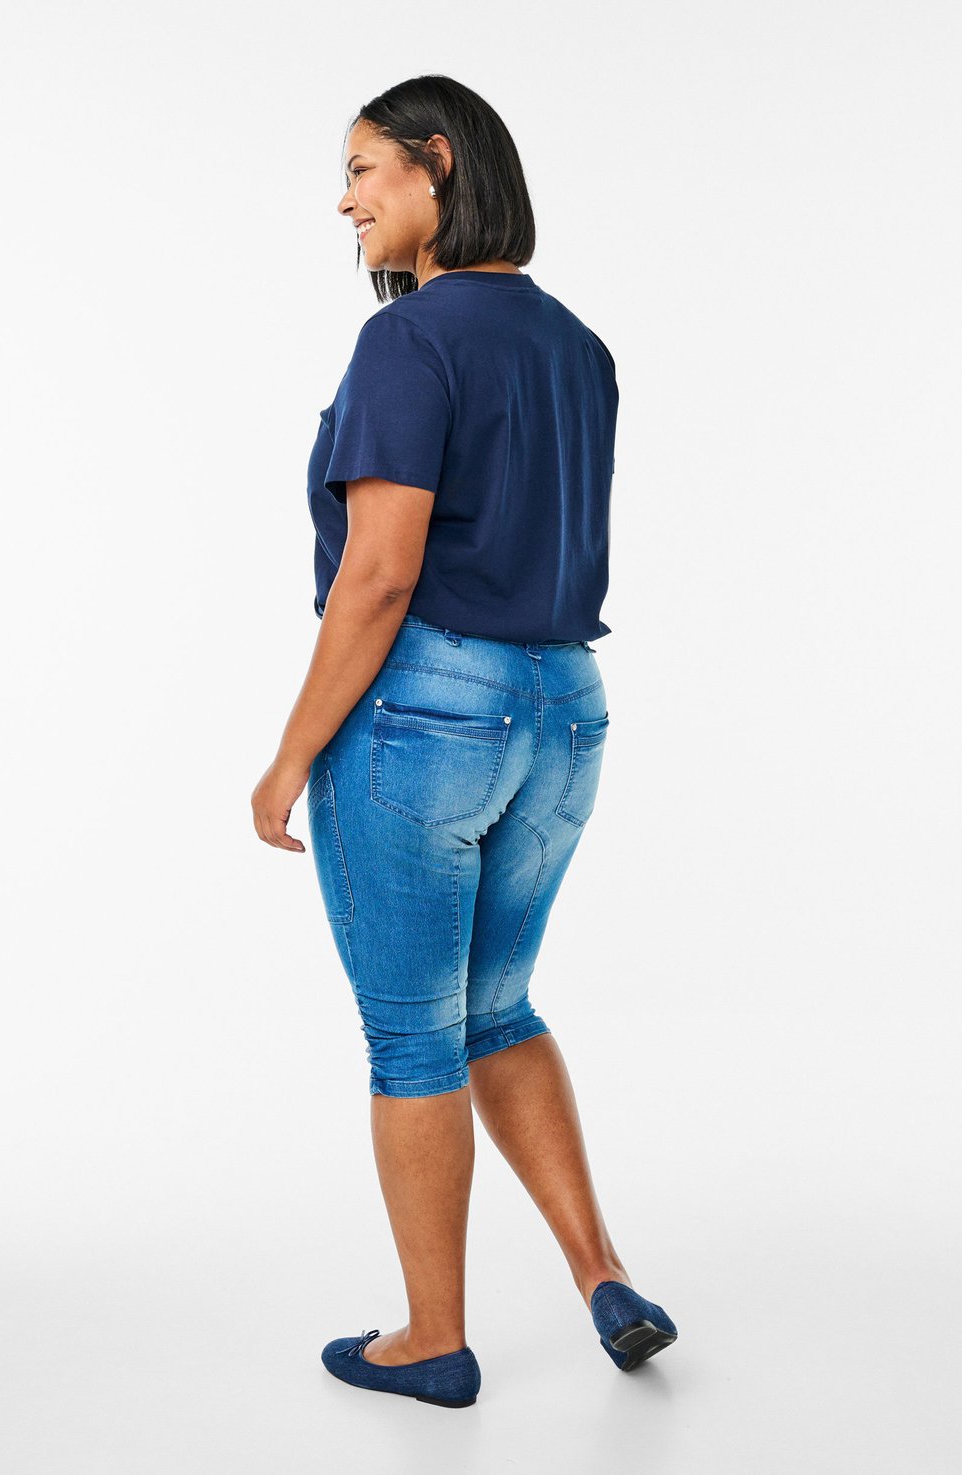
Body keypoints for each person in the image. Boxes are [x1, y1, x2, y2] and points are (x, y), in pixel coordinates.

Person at [250, 74, 677, 1408]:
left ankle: (433, 1338)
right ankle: (605, 1277)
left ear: (437, 165)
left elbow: (381, 573)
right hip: (566, 714)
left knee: (414, 1040)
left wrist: (289, 755)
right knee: (499, 1007)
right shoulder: (579, 348)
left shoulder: (409, 340)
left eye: (363, 170)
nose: (346, 201)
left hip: (428, 715)